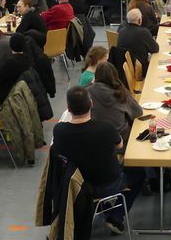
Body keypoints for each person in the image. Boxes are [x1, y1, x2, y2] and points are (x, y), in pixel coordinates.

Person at [52, 86, 143, 235]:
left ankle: (102, 208)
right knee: (138, 174)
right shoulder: (105, 129)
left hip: (76, 187)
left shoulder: (59, 131)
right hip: (107, 185)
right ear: (91, 104)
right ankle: (115, 216)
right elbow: (119, 144)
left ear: (68, 108)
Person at [88, 62, 143, 145]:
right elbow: (138, 112)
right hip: (122, 138)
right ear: (115, 75)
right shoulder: (120, 91)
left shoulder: (87, 92)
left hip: (97, 139)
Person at [117, 8, 159, 72]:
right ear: (139, 20)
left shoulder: (121, 31)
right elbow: (155, 49)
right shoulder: (144, 32)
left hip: (124, 69)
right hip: (140, 69)